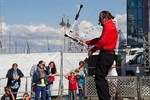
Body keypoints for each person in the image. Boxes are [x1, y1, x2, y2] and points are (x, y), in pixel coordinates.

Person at [81, 10, 118, 100]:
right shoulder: (111, 25)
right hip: (109, 55)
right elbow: (100, 39)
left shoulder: (107, 26)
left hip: (105, 55)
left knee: (99, 78)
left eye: (100, 18)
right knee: (100, 77)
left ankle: (105, 98)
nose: (99, 20)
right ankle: (106, 97)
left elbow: (102, 41)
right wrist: (87, 42)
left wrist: (92, 50)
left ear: (105, 18)